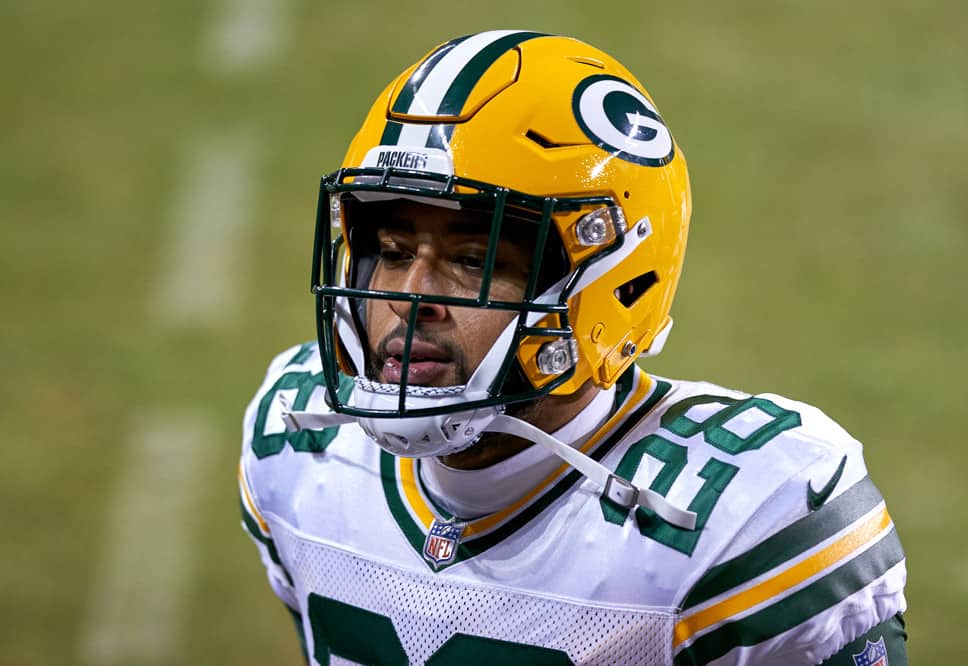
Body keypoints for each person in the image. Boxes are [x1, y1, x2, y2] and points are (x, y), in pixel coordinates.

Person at [239, 30, 907, 665]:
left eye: (472, 259)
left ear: (611, 287)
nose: (411, 298)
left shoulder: (746, 519)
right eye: (390, 251)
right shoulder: (295, 446)